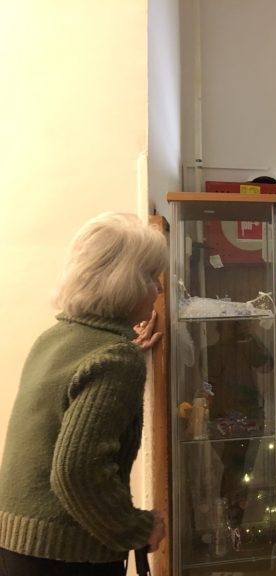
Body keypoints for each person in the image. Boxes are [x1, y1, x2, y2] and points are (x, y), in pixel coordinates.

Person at [0, 212, 168, 576]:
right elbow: (77, 472)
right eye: (153, 277)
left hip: (17, 545)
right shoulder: (114, 359)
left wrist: (127, 349)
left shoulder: (55, 338)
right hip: (69, 556)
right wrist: (138, 529)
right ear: (127, 283)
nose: (160, 289)